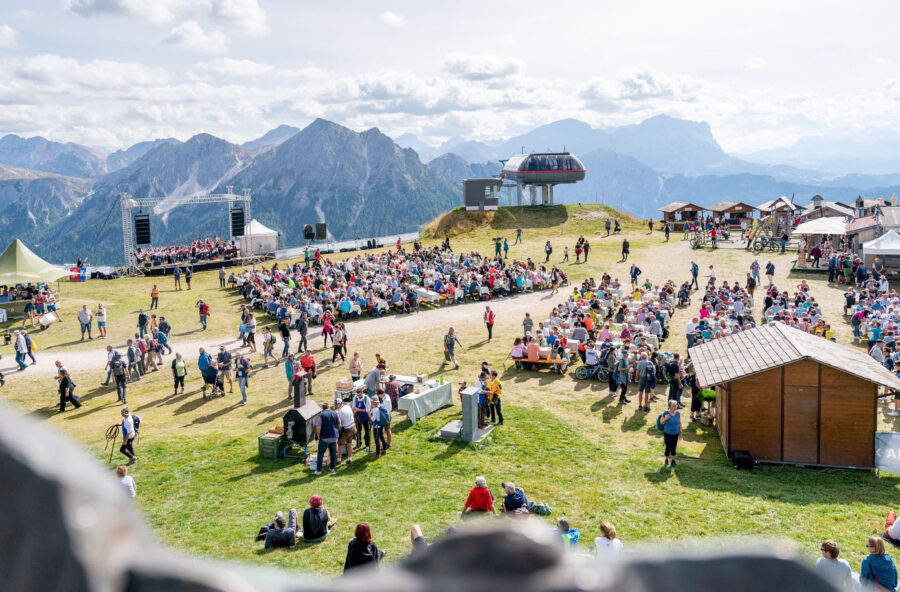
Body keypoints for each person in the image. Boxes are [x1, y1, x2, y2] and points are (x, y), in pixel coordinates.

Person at [315, 402, 341, 475]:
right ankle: (332, 468)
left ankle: (319, 471)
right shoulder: (335, 413)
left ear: (323, 409)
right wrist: (336, 432)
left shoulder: (321, 415)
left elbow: (318, 427)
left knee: (320, 454)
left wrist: (318, 436)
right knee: (333, 453)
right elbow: (340, 425)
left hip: (324, 438)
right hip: (334, 437)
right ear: (328, 407)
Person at [659, 399, 682, 468]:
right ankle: (666, 459)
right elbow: (661, 422)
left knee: (674, 446)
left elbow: (679, 423)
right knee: (668, 446)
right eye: (674, 406)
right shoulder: (666, 413)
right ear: (670, 407)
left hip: (675, 433)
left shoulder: (678, 413)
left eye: (676, 405)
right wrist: (665, 419)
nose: (675, 407)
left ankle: (673, 460)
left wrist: (680, 432)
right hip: (667, 433)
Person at [335, 399, 356, 463]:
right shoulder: (347, 406)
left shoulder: (338, 412)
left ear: (340, 403)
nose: (336, 406)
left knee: (339, 444)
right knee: (349, 443)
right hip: (353, 427)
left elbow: (339, 424)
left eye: (337, 404)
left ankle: (339, 459)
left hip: (346, 429)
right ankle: (349, 458)